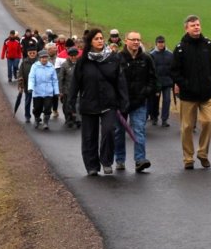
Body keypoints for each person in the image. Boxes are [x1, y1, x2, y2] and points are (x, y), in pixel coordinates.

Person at [68, 28, 129, 176]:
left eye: (101, 38)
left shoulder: (113, 59)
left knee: (109, 131)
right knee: (89, 136)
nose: (100, 41)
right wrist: (70, 102)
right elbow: (75, 83)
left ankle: (106, 161)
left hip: (109, 103)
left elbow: (120, 82)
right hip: (89, 102)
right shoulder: (83, 62)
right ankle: (92, 165)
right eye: (96, 38)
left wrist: (124, 102)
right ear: (90, 42)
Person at [170, 15, 211, 170]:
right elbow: (174, 71)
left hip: (207, 94)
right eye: (193, 25)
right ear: (186, 28)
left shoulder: (209, 45)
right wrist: (185, 85)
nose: (197, 27)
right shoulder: (180, 48)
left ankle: (203, 153)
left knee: (209, 122)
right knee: (187, 127)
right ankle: (188, 158)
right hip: (188, 96)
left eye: (198, 24)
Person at [114, 31, 157, 173]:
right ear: (126, 41)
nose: (136, 42)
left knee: (139, 130)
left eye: (138, 40)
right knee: (119, 132)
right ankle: (119, 159)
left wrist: (145, 93)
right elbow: (110, 80)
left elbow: (153, 80)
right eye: (133, 40)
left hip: (139, 102)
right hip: (120, 103)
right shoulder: (117, 58)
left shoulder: (146, 59)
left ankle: (140, 160)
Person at [28, 49, 60, 130]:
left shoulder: (51, 67)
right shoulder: (35, 66)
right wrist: (30, 87)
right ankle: (37, 119)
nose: (44, 59)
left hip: (48, 92)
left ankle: (46, 122)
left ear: (48, 58)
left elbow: (55, 80)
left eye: (45, 57)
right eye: (42, 58)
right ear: (39, 58)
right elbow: (31, 78)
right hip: (37, 91)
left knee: (47, 107)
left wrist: (56, 91)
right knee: (37, 108)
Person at [148, 35, 174, 127]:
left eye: (162, 42)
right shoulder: (151, 55)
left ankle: (164, 119)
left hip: (167, 82)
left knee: (167, 100)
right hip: (156, 83)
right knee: (155, 101)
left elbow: (173, 69)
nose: (161, 44)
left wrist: (173, 80)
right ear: (156, 43)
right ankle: (154, 117)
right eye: (159, 42)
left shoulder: (170, 54)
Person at [58, 47, 81, 128]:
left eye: (75, 56)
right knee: (67, 106)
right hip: (67, 89)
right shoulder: (65, 65)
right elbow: (61, 78)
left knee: (77, 105)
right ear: (69, 56)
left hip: (78, 89)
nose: (73, 57)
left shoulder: (80, 64)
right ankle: (68, 119)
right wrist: (61, 91)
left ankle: (78, 119)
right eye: (72, 56)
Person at [17, 44, 38, 124]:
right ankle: (27, 116)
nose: (32, 54)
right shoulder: (24, 63)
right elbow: (20, 75)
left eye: (33, 53)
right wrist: (20, 85)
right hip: (27, 86)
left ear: (36, 53)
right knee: (28, 101)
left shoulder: (39, 62)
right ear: (28, 53)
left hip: (37, 87)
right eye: (30, 53)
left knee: (37, 103)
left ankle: (37, 116)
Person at [45, 42, 66, 118]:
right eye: (49, 49)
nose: (51, 51)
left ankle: (55, 110)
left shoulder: (60, 58)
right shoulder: (44, 58)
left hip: (56, 80)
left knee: (55, 96)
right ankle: (47, 109)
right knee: (47, 96)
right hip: (47, 81)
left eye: (53, 49)